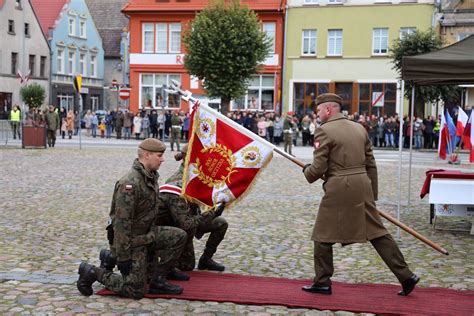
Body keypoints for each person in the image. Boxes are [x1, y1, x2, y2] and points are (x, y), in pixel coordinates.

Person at [301, 93, 419, 296]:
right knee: (377, 232)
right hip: (362, 184)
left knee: (322, 234)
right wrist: (371, 194)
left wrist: (306, 170)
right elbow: (371, 163)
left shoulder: (324, 131)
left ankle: (322, 281)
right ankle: (406, 276)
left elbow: (318, 169)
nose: (317, 114)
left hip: (339, 187)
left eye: (319, 110)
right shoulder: (359, 128)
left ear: (328, 109)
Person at [77, 138, 188, 299]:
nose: (163, 159)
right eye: (159, 156)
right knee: (135, 290)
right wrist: (124, 257)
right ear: (147, 155)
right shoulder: (130, 183)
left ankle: (157, 280)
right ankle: (93, 272)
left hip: (147, 236)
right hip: (132, 242)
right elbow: (121, 225)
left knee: (178, 236)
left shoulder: (150, 177)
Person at [158, 145, 228, 272]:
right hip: (179, 227)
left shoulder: (196, 176)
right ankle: (165, 261)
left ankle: (206, 260)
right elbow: (185, 224)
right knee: (187, 265)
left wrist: (218, 207)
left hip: (192, 221)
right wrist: (211, 213)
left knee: (221, 224)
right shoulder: (178, 183)